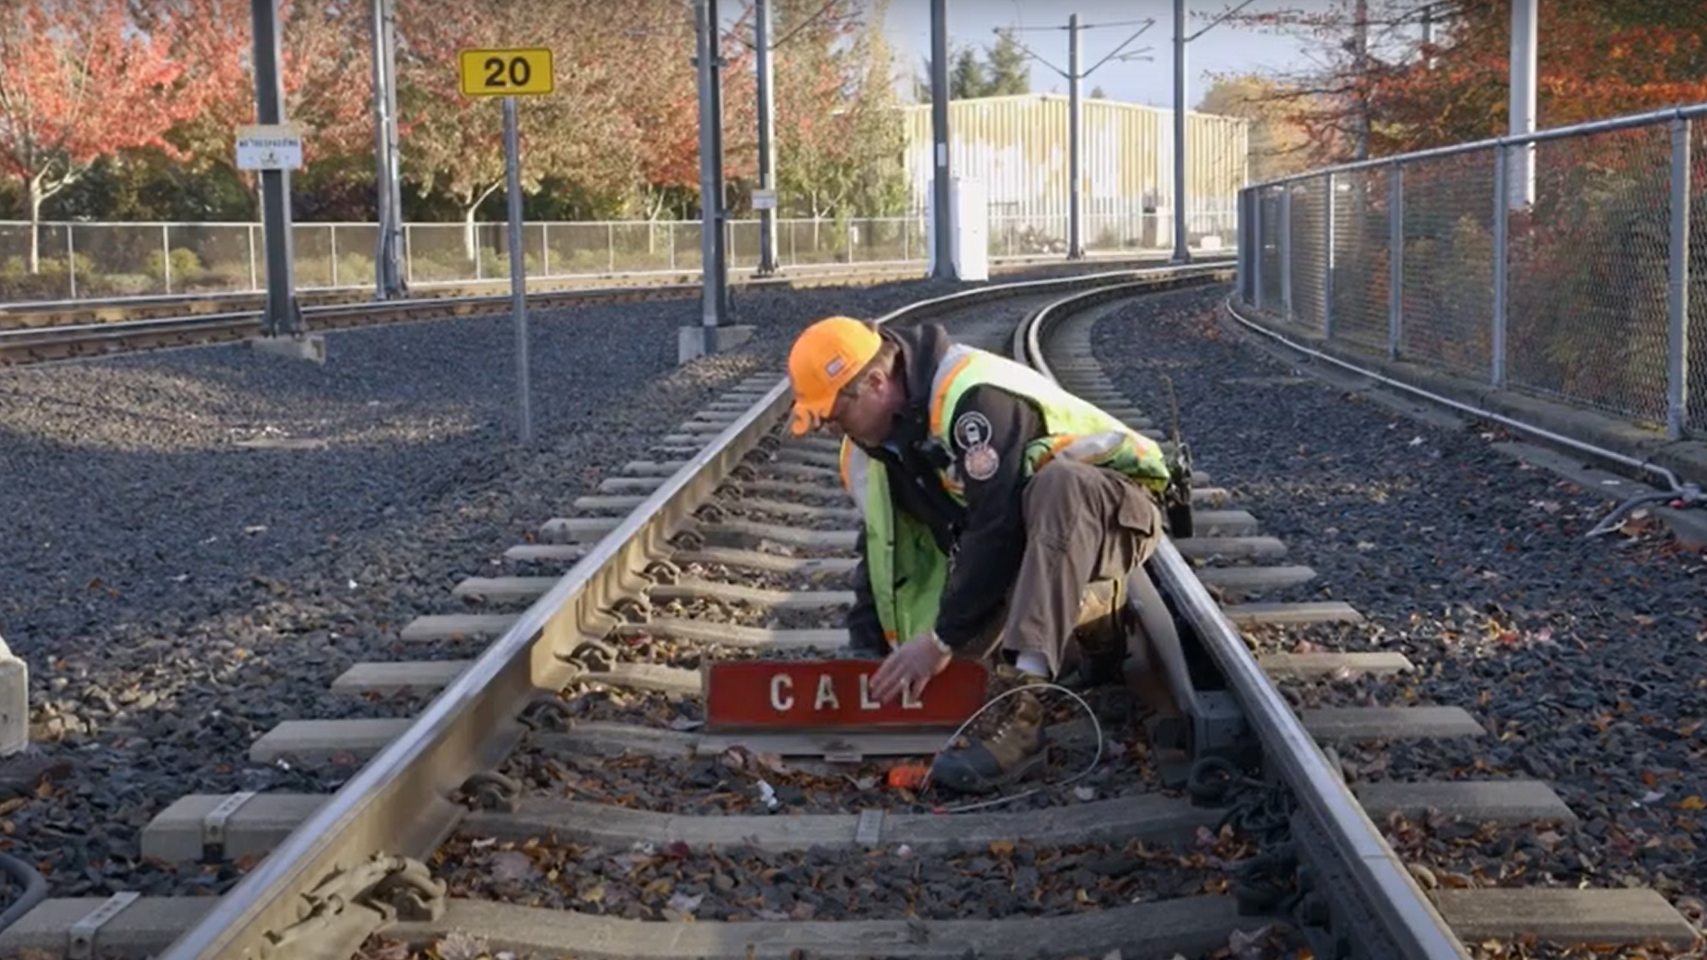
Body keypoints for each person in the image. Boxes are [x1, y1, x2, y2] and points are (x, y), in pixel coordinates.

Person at [785, 314, 1176, 795]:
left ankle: (1025, 718)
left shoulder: (973, 400)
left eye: (834, 414)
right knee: (961, 667)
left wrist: (941, 639)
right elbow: (881, 549)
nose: (829, 429)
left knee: (1057, 485)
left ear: (875, 381)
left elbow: (997, 529)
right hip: (1036, 538)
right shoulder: (872, 448)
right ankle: (1089, 619)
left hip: (1117, 508)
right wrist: (867, 653)